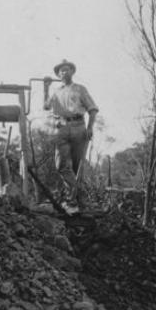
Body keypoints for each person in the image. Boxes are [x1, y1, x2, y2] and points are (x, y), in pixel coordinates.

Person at [43, 59, 98, 210]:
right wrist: (45, 87)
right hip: (61, 128)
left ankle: (72, 201)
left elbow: (92, 109)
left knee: (76, 166)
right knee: (61, 165)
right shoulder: (56, 92)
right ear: (58, 74)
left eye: (67, 69)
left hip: (79, 127)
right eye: (61, 71)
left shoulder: (80, 89)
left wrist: (90, 127)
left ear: (72, 72)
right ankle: (80, 195)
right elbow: (46, 106)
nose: (64, 72)